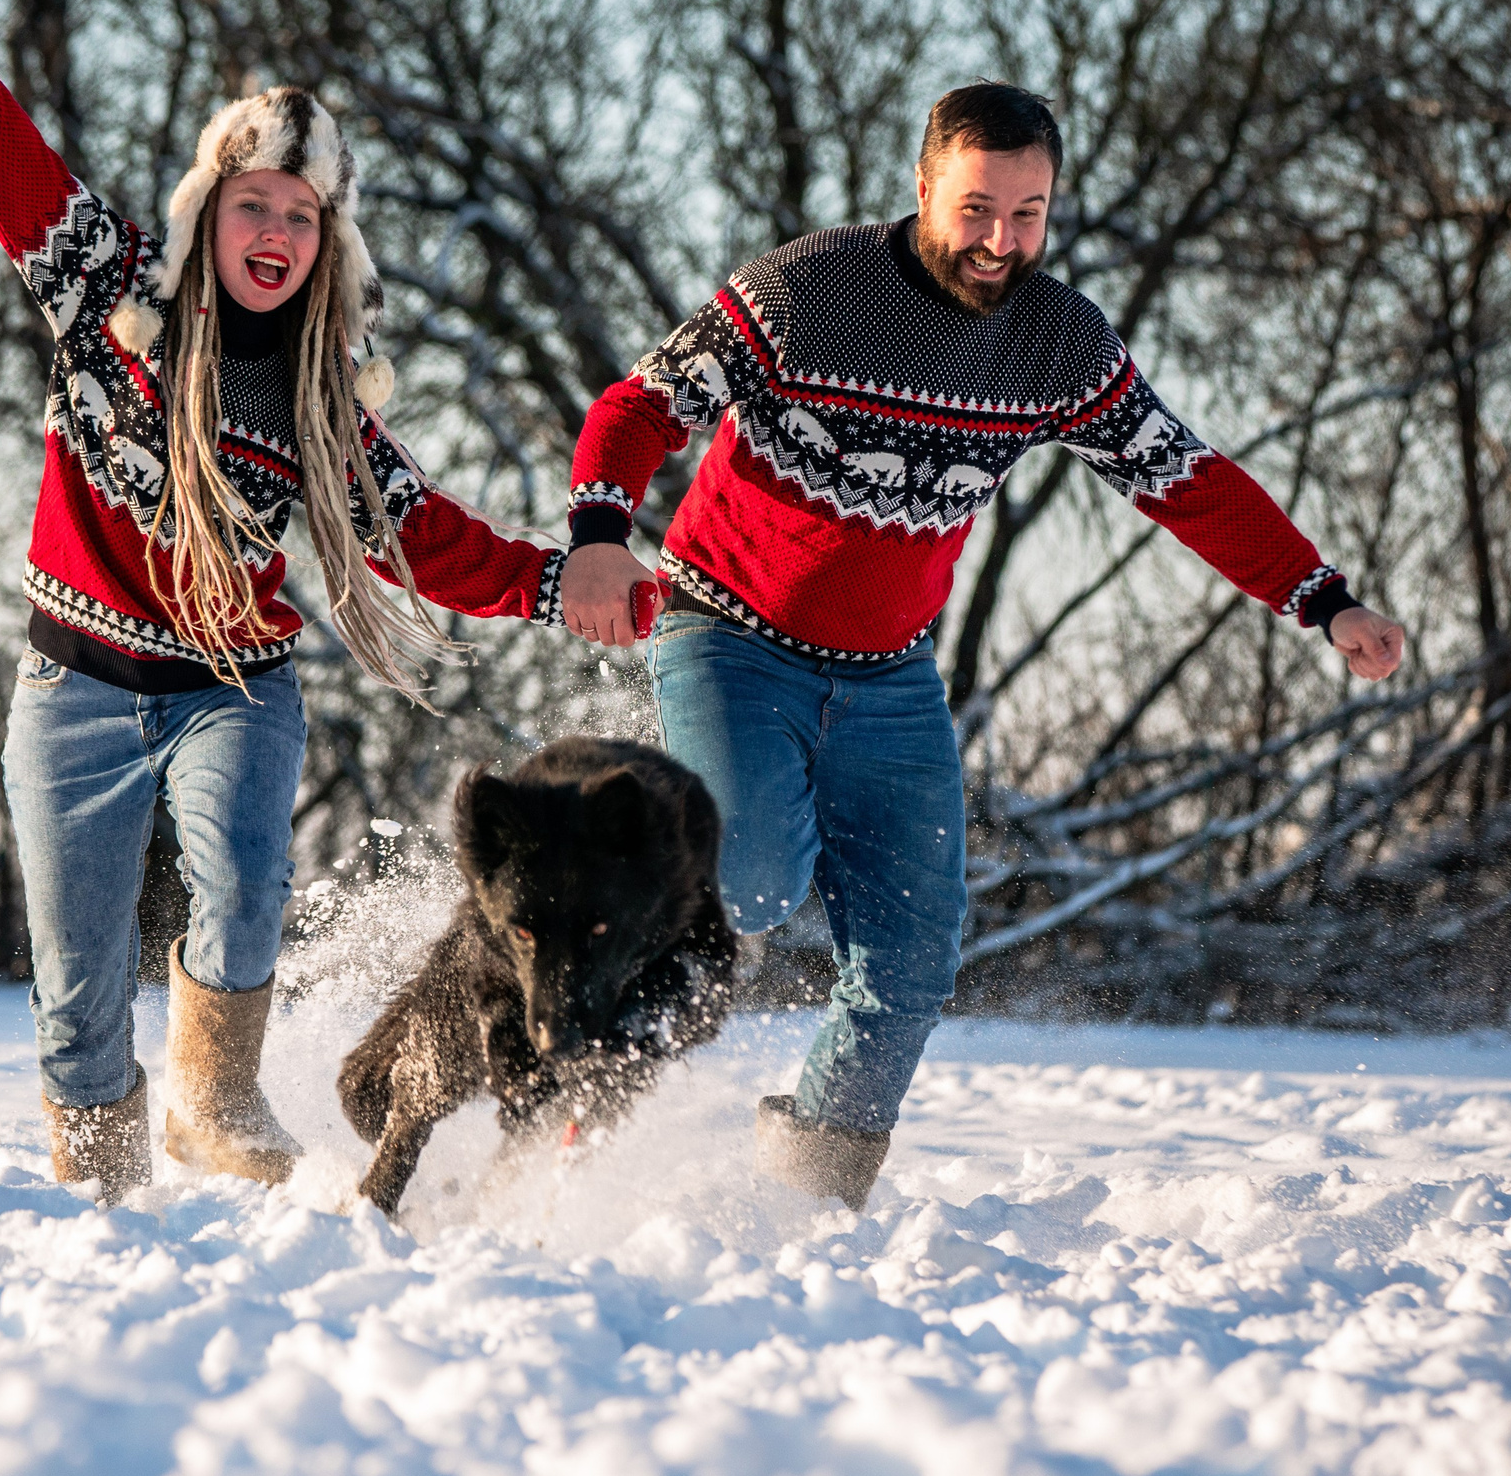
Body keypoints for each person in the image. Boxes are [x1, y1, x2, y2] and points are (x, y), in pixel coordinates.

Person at [558, 81, 1407, 1208]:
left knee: (913, 950)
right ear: (922, 188)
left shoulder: (1056, 342)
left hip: (889, 679)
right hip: (730, 634)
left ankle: (807, 1194)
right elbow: (643, 402)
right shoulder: (804, 291)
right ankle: (572, 1073)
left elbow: (1185, 478)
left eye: (1028, 212)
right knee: (750, 887)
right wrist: (600, 533)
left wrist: (1322, 596)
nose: (999, 241)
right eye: (975, 208)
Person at [0, 0, 566, 1204]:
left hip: (232, 682)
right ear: (208, 211)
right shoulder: (110, 294)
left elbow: (425, 532)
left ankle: (216, 1096)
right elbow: (15, 174)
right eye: (255, 205)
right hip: (67, 692)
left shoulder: (317, 402)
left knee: (240, 880)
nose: (275, 232)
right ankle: (104, 1206)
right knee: (74, 989)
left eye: (302, 215)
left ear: (325, 241)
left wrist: (569, 585)